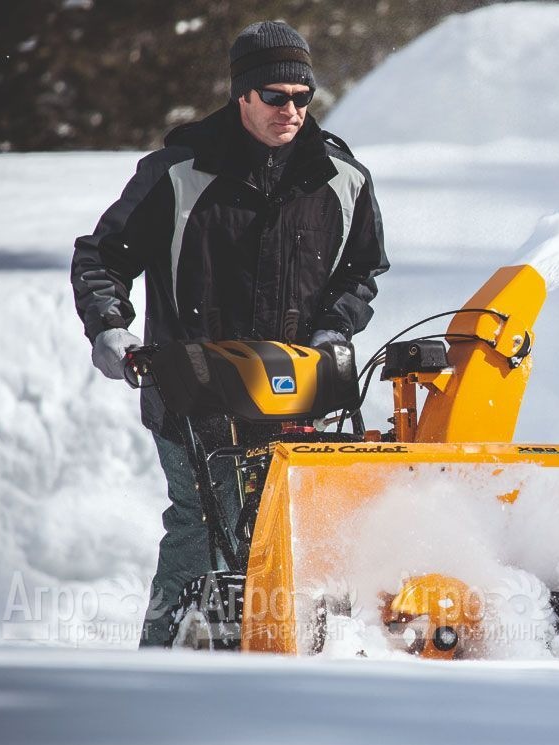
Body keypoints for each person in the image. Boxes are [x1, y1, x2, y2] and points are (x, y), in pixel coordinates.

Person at [70, 21, 390, 647]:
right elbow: (102, 257)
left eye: (302, 97)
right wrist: (110, 328)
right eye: (275, 96)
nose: (290, 110)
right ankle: (167, 655)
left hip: (296, 391)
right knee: (203, 525)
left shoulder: (342, 178)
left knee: (294, 531)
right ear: (242, 94)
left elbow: (362, 271)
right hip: (194, 388)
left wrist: (334, 329)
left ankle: (296, 655)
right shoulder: (177, 173)